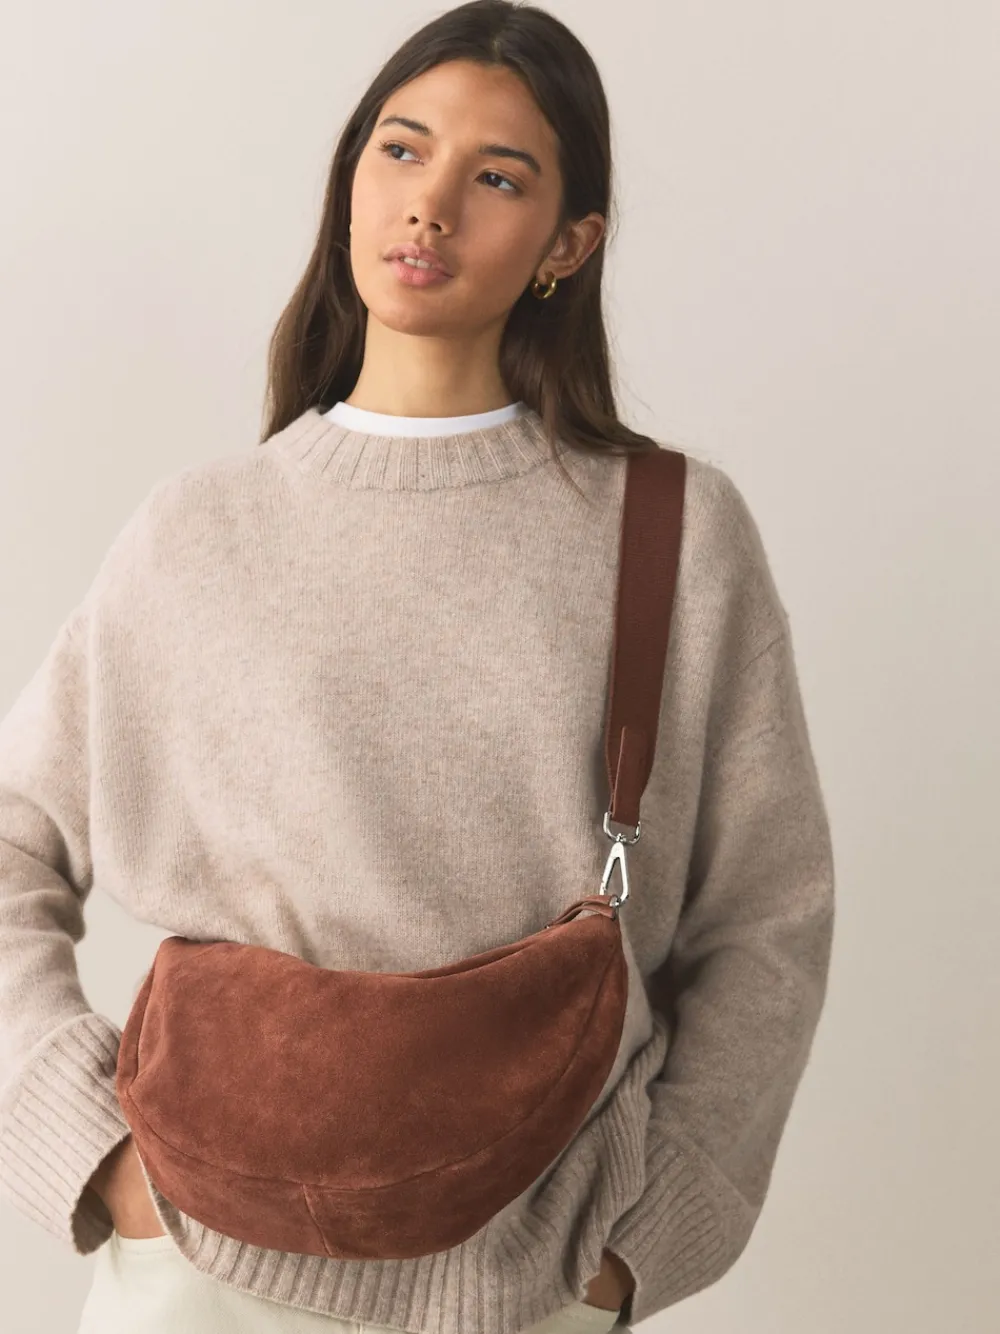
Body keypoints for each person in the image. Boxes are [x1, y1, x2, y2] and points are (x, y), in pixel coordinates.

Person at [0, 3, 835, 1332]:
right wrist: (90, 1145)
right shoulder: (198, 529)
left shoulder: (671, 532)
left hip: (531, 1284)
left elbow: (766, 917)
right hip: (196, 1274)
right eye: (400, 149)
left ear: (569, 244)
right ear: (351, 177)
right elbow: (14, 839)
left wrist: (645, 1234)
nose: (429, 205)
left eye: (496, 177)